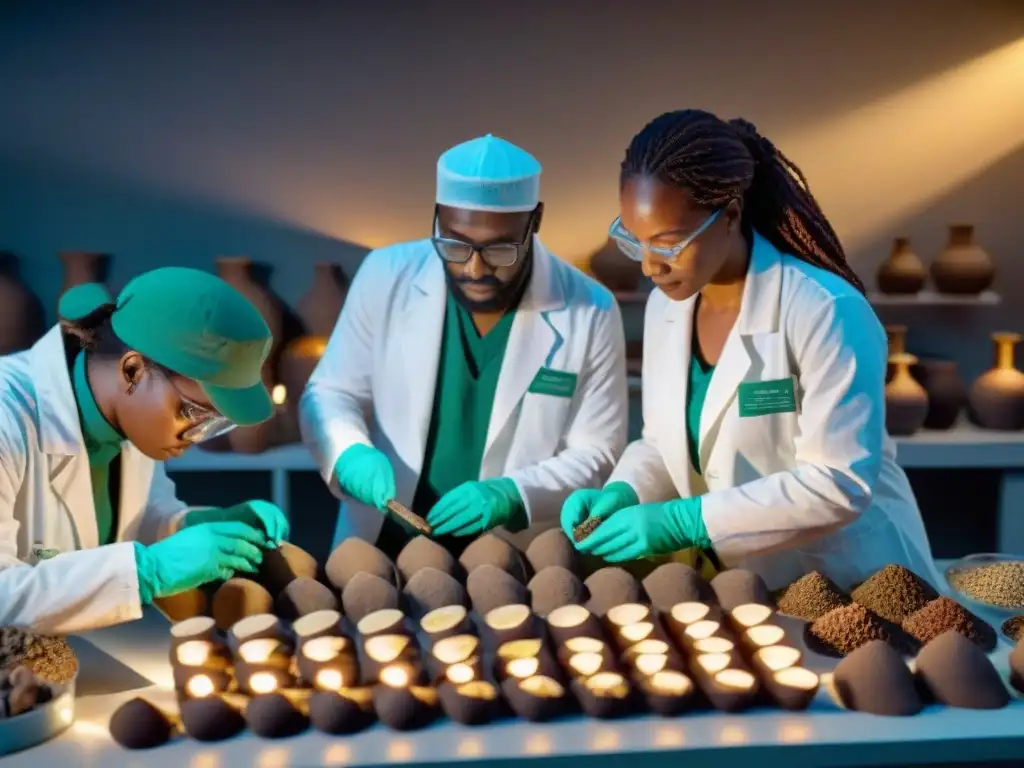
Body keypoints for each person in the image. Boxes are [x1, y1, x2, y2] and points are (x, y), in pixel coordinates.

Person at [560, 109, 939, 590]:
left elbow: (840, 481)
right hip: (754, 579)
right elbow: (662, 441)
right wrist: (625, 488)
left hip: (853, 576)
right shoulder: (665, 309)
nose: (651, 266)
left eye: (669, 243)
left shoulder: (826, 310)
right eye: (636, 243)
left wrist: (684, 522)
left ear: (731, 215)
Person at [302, 134, 628, 557]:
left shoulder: (590, 308)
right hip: (385, 545)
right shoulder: (385, 275)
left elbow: (597, 450)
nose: (474, 269)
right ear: (437, 217)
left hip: (511, 555)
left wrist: (513, 494)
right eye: (455, 243)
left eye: (499, 249)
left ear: (536, 221)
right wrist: (348, 452)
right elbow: (330, 393)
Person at [0, 267, 290, 633]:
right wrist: (150, 571)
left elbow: (142, 520)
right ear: (133, 370)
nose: (195, 436)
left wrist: (191, 525)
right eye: (192, 413)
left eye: (217, 424)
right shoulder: (6, 415)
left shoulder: (129, 421)